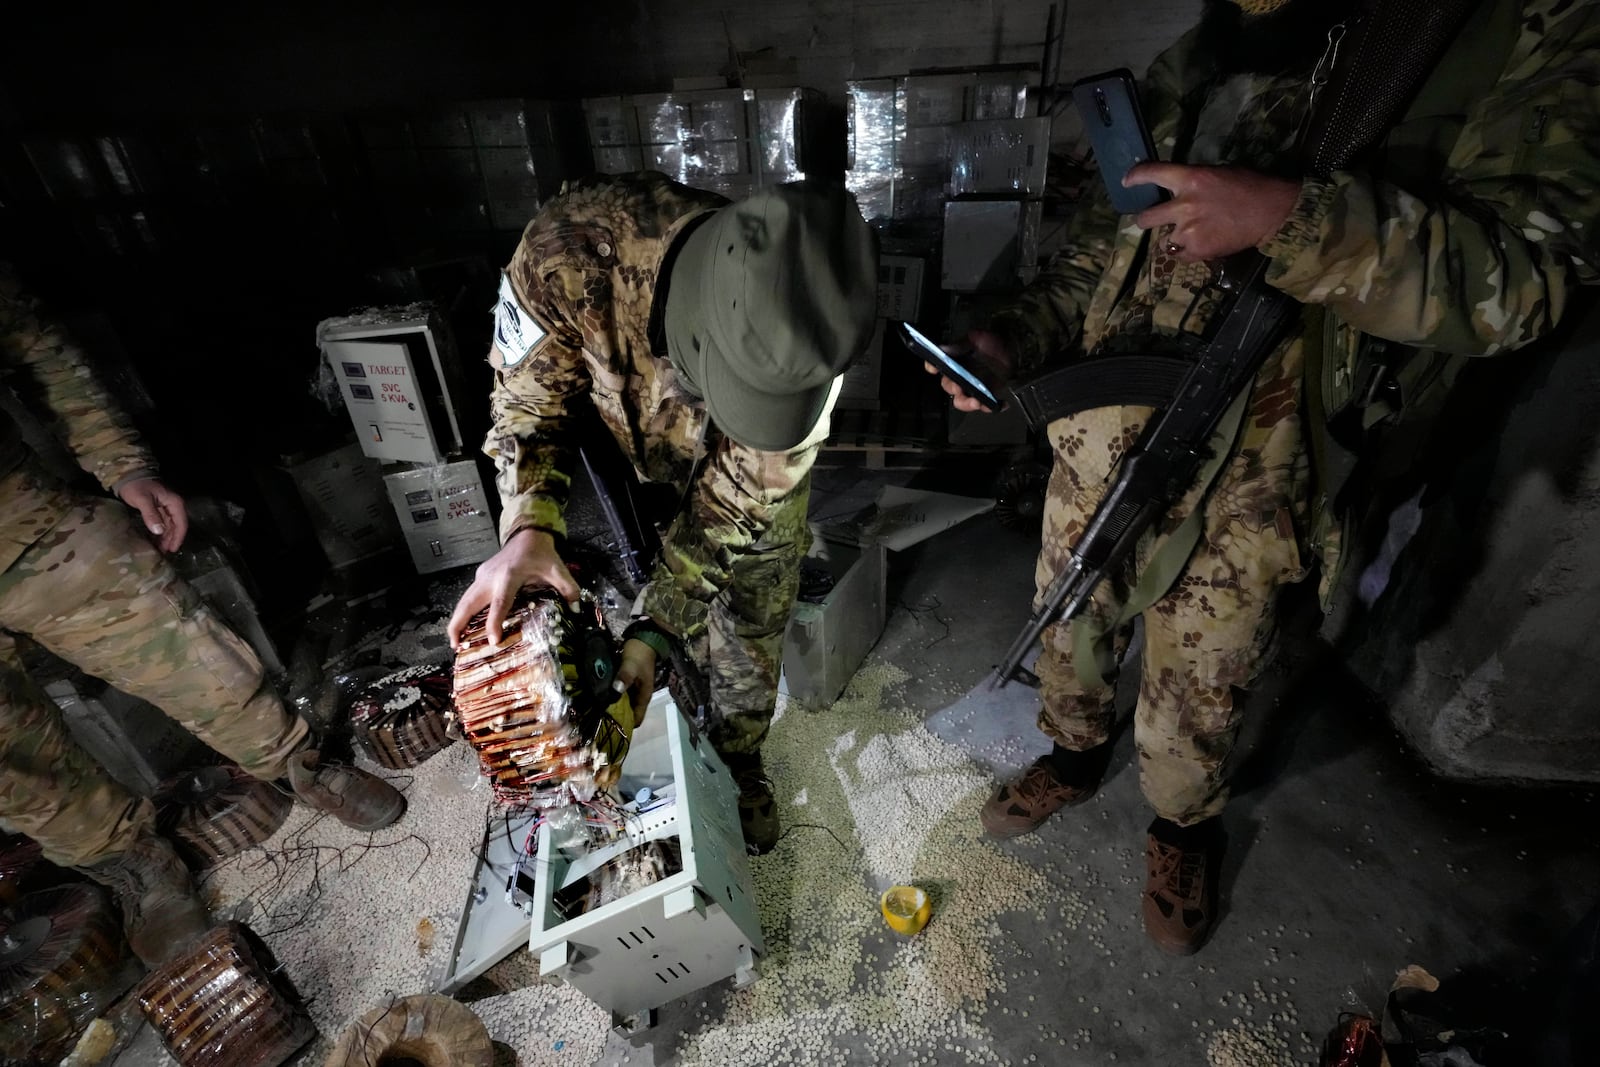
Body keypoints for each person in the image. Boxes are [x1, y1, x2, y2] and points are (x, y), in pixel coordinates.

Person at [934, 0, 1600, 953]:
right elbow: (1096, 249)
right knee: (1069, 624)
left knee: (1204, 677)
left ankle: (1181, 828)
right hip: (1100, 441)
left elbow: (1531, 278)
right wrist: (1017, 340)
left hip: (1262, 460)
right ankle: (1074, 760)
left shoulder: (1500, 28)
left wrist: (1294, 221)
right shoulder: (1197, 56)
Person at [446, 173, 877, 854]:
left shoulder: (809, 333)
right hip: (641, 454)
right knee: (657, 589)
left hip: (748, 491)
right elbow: (526, 405)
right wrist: (529, 524)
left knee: (754, 617)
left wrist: (651, 633)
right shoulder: (563, 254)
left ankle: (739, 760)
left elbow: (738, 501)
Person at [0, 263, 408, 967]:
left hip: (22, 525)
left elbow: (38, 346)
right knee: (13, 765)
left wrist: (123, 466)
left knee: (180, 644)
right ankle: (139, 869)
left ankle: (300, 763)